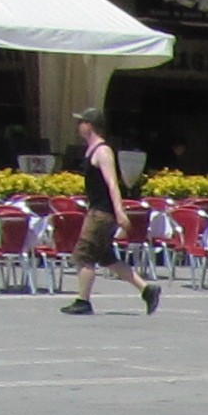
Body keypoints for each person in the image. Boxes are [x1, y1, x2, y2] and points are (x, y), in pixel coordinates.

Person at [59, 110, 161, 315]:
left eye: (82, 122)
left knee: (84, 255)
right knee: (107, 258)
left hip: (102, 213)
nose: (79, 126)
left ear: (90, 125)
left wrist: (120, 211)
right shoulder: (91, 150)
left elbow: (112, 183)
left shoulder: (103, 151)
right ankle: (147, 289)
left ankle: (83, 300)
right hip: (98, 209)